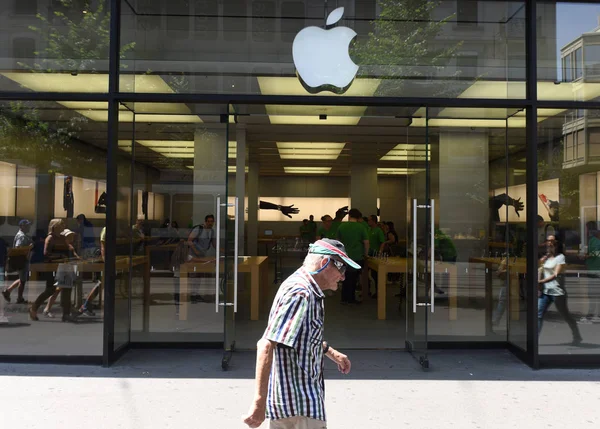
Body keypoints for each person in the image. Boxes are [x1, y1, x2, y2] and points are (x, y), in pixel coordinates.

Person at [243, 239, 354, 429]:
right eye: (342, 269)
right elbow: (266, 345)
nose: (343, 277)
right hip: (299, 406)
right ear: (325, 262)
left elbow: (299, 334)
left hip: (298, 404)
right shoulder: (300, 293)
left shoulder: (306, 289)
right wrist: (259, 402)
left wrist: (330, 352)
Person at [29, 219, 78, 322]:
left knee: (67, 289)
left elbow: (68, 249)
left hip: (65, 266)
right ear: (54, 227)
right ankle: (34, 308)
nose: (63, 227)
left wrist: (73, 255)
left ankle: (66, 313)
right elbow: (46, 253)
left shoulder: (62, 238)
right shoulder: (50, 238)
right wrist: (59, 256)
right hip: (52, 267)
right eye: (61, 225)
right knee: (51, 289)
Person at [537, 238, 582, 345]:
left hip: (557, 292)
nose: (549, 247)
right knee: (538, 315)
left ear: (556, 246)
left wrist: (540, 281)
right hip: (546, 292)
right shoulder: (546, 258)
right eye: (548, 246)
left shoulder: (560, 258)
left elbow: (555, 274)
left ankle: (577, 335)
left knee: (565, 315)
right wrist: (539, 284)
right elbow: (540, 271)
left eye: (551, 245)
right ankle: (535, 340)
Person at [43, 229, 80, 318]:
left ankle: (69, 309)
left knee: (65, 290)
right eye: (69, 236)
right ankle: (47, 309)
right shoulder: (62, 246)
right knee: (58, 289)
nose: (71, 237)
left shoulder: (70, 246)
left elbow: (75, 256)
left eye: (71, 236)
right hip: (63, 269)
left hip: (68, 268)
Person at [336, 208, 369, 304]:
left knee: (345, 277)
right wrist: (366, 254)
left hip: (344, 257)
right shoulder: (361, 227)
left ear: (349, 216)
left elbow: (337, 242)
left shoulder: (341, 227)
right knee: (353, 278)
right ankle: (350, 298)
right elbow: (366, 242)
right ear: (358, 217)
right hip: (357, 256)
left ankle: (344, 298)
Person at [2, 219, 33, 304]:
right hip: (21, 260)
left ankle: (8, 291)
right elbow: (18, 248)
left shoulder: (22, 235)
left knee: (22, 278)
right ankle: (19, 298)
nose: (29, 227)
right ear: (21, 226)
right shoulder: (21, 236)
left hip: (22, 259)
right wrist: (29, 247)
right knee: (23, 280)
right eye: (27, 225)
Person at [78, 226, 106, 316]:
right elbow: (103, 247)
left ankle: (86, 305)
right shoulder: (106, 230)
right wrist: (105, 260)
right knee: (100, 284)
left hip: (108, 260)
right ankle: (85, 305)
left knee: (101, 284)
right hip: (104, 261)